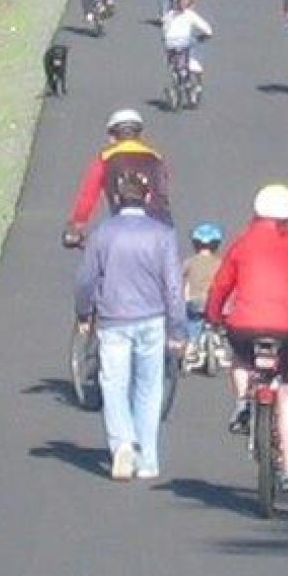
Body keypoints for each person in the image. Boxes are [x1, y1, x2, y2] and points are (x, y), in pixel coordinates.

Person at [205, 184, 288, 495]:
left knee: (241, 356)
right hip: (287, 329)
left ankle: (241, 404)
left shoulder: (242, 244)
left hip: (244, 326)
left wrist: (214, 316)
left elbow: (221, 285)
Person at [74, 172, 187, 481]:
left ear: (117, 200)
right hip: (152, 318)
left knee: (113, 383)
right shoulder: (162, 235)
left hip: (112, 320)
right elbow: (174, 287)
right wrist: (178, 330)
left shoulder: (102, 233)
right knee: (149, 386)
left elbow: (85, 280)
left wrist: (84, 313)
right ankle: (147, 457)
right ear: (148, 198)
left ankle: (121, 443)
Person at [67, 109, 170, 244]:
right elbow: (163, 189)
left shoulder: (105, 157)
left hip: (124, 225)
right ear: (140, 134)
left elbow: (89, 195)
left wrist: (77, 224)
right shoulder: (156, 157)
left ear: (112, 136)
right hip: (159, 225)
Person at [181, 223, 225, 370]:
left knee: (192, 321)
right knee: (220, 323)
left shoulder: (189, 262)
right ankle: (219, 342)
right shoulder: (220, 263)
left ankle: (190, 347)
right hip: (216, 303)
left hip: (195, 301)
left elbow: (178, 278)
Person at [161, 0, 213, 89]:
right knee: (191, 55)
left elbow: (164, 26)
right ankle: (198, 85)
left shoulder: (170, 14)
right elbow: (206, 28)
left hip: (169, 43)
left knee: (174, 61)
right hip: (184, 41)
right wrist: (206, 35)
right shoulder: (190, 14)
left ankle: (178, 76)